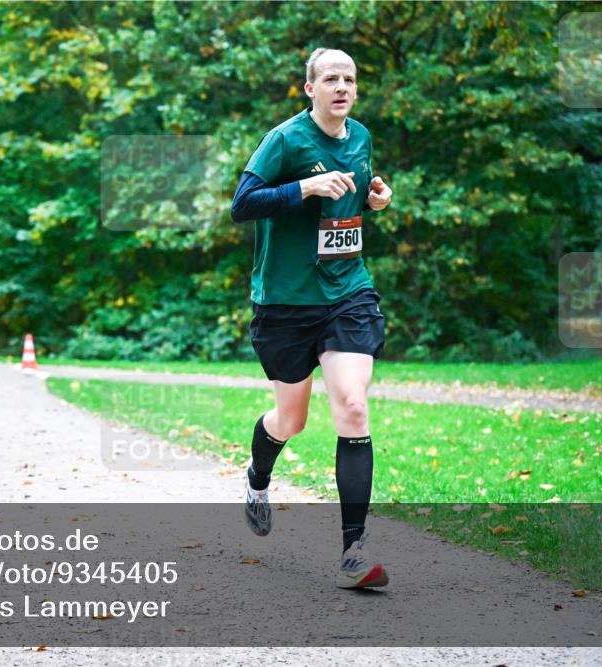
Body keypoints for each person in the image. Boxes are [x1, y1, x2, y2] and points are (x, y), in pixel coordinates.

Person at [231, 48, 394, 589]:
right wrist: (304, 187)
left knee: (352, 404)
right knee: (291, 420)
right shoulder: (285, 139)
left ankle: (354, 550)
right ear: (310, 88)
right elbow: (242, 203)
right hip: (285, 298)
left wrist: (375, 199)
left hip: (347, 289)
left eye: (349, 78)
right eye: (331, 78)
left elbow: (353, 198)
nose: (341, 86)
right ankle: (258, 476)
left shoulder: (362, 137)